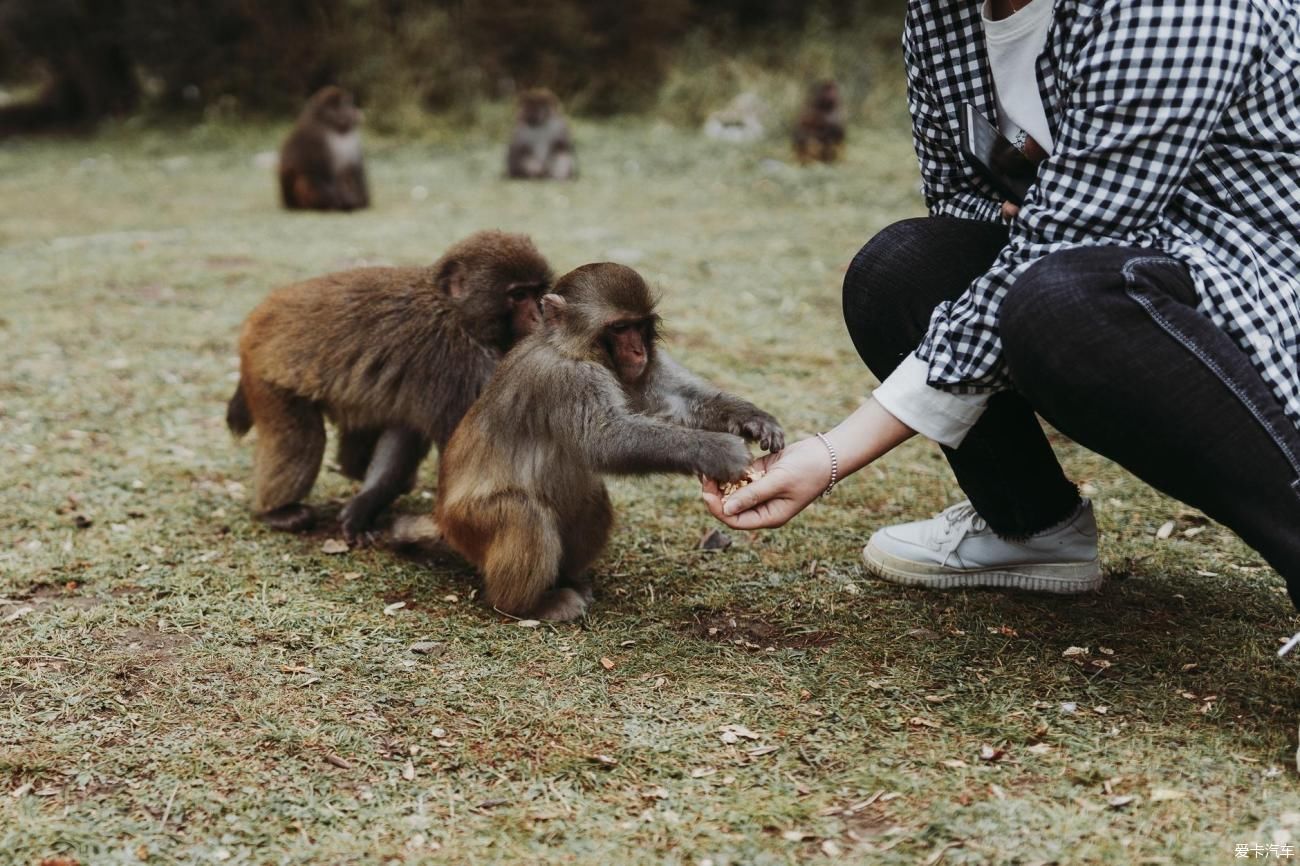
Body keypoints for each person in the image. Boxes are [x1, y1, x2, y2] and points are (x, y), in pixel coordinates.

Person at [703, 0, 1300, 606]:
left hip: (1258, 286)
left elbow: (1066, 239)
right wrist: (1046, 222)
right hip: (1114, 267)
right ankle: (1033, 526)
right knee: (903, 268)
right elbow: (963, 202)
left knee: (1057, 299)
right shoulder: (942, 17)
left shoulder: (1175, 10)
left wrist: (831, 455)